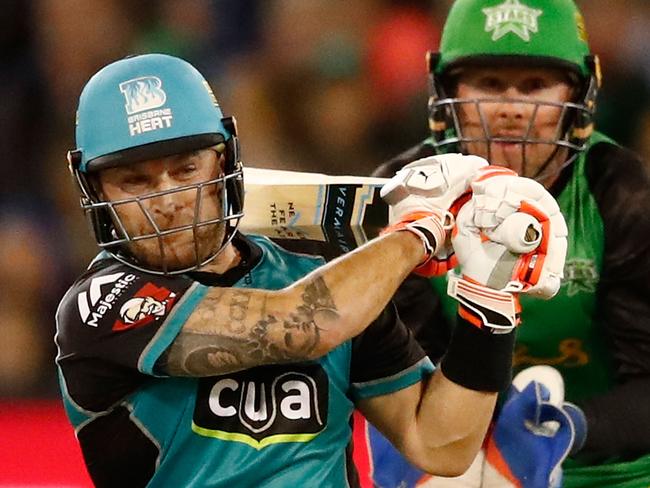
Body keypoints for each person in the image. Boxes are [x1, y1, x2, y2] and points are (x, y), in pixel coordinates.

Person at [55, 53, 566, 487]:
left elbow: (440, 447)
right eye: (135, 181)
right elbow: (306, 325)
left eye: (186, 169)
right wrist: (421, 229)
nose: (166, 201)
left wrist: (490, 301)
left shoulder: (321, 272)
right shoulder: (100, 306)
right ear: (94, 190)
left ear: (223, 162)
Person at [364, 0, 650, 487]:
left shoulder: (624, 193)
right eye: (489, 84)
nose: (511, 109)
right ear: (447, 91)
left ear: (578, 94)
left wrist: (569, 430)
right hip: (450, 452)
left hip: (609, 471)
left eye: (536, 85)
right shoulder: (399, 193)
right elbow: (401, 373)